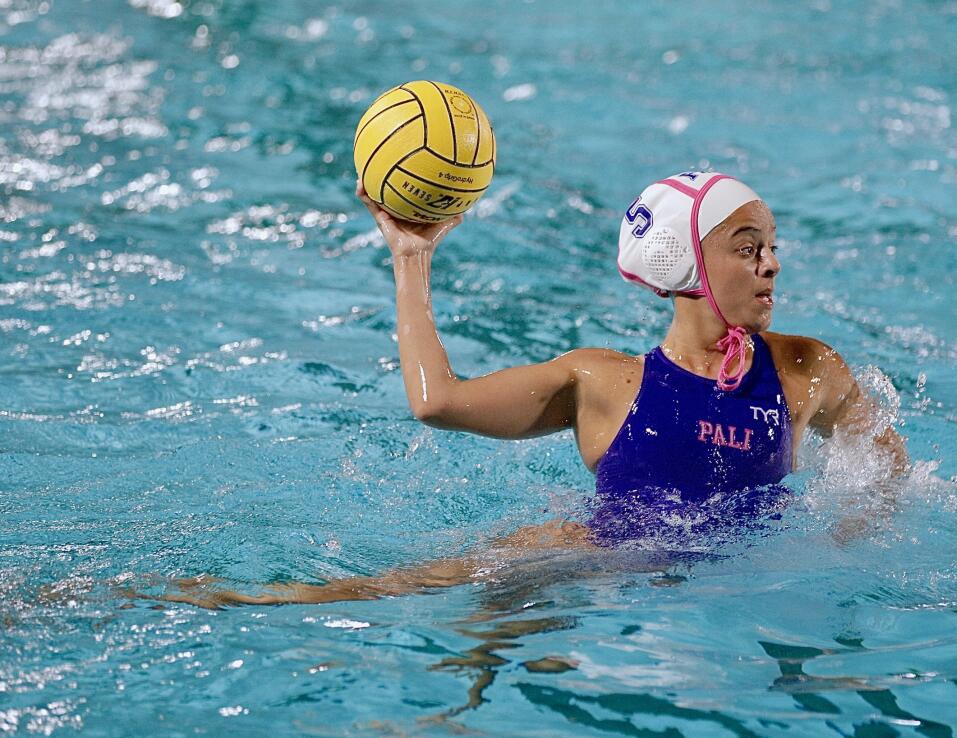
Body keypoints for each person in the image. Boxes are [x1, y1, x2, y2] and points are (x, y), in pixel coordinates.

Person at [155, 171, 907, 608]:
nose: (772, 263)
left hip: (751, 590)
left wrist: (844, 545)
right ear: (686, 265)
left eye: (772, 247)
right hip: (601, 559)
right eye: (748, 249)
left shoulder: (806, 368)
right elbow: (437, 401)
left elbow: (886, 462)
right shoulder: (602, 381)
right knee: (390, 593)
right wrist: (411, 258)